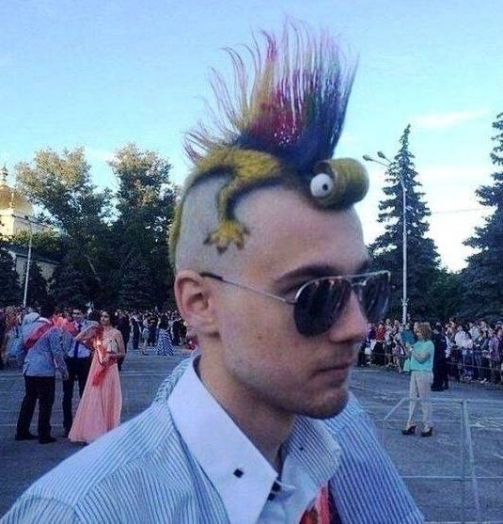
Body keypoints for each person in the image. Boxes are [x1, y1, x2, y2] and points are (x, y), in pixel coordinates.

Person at [2, 23, 424, 523]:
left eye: (367, 290)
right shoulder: (82, 512)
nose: (357, 327)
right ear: (200, 304)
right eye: (314, 294)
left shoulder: (342, 433)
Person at [14, 303, 70, 444]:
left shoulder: (27, 327)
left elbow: (19, 350)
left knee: (29, 400)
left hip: (29, 369)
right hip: (45, 371)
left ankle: (21, 430)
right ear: (53, 315)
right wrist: (63, 370)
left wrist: (24, 364)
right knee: (46, 403)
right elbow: (56, 352)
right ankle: (44, 434)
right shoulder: (52, 330)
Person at [67, 309, 125, 444]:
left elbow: (122, 352)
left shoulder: (116, 333)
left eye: (106, 316)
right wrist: (90, 327)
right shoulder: (97, 331)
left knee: (107, 395)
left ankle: (107, 428)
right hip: (96, 366)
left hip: (109, 367)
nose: (103, 319)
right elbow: (77, 338)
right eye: (102, 316)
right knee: (94, 395)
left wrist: (111, 356)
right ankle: (91, 429)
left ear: (111, 318)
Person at [61, 307, 93, 437]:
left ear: (84, 314)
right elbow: (63, 343)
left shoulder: (90, 326)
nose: (76, 316)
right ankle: (67, 425)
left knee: (84, 393)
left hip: (84, 360)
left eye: (78, 313)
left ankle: (83, 424)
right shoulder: (67, 326)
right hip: (70, 360)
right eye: (74, 313)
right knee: (67, 395)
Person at [402, 322, 434, 437]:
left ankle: (428, 424)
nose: (417, 333)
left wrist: (411, 349)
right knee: (412, 399)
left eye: (419, 332)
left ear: (424, 332)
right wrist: (406, 346)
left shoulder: (429, 344)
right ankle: (410, 423)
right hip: (414, 371)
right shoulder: (417, 343)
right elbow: (409, 355)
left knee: (424, 399)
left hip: (424, 372)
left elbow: (421, 358)